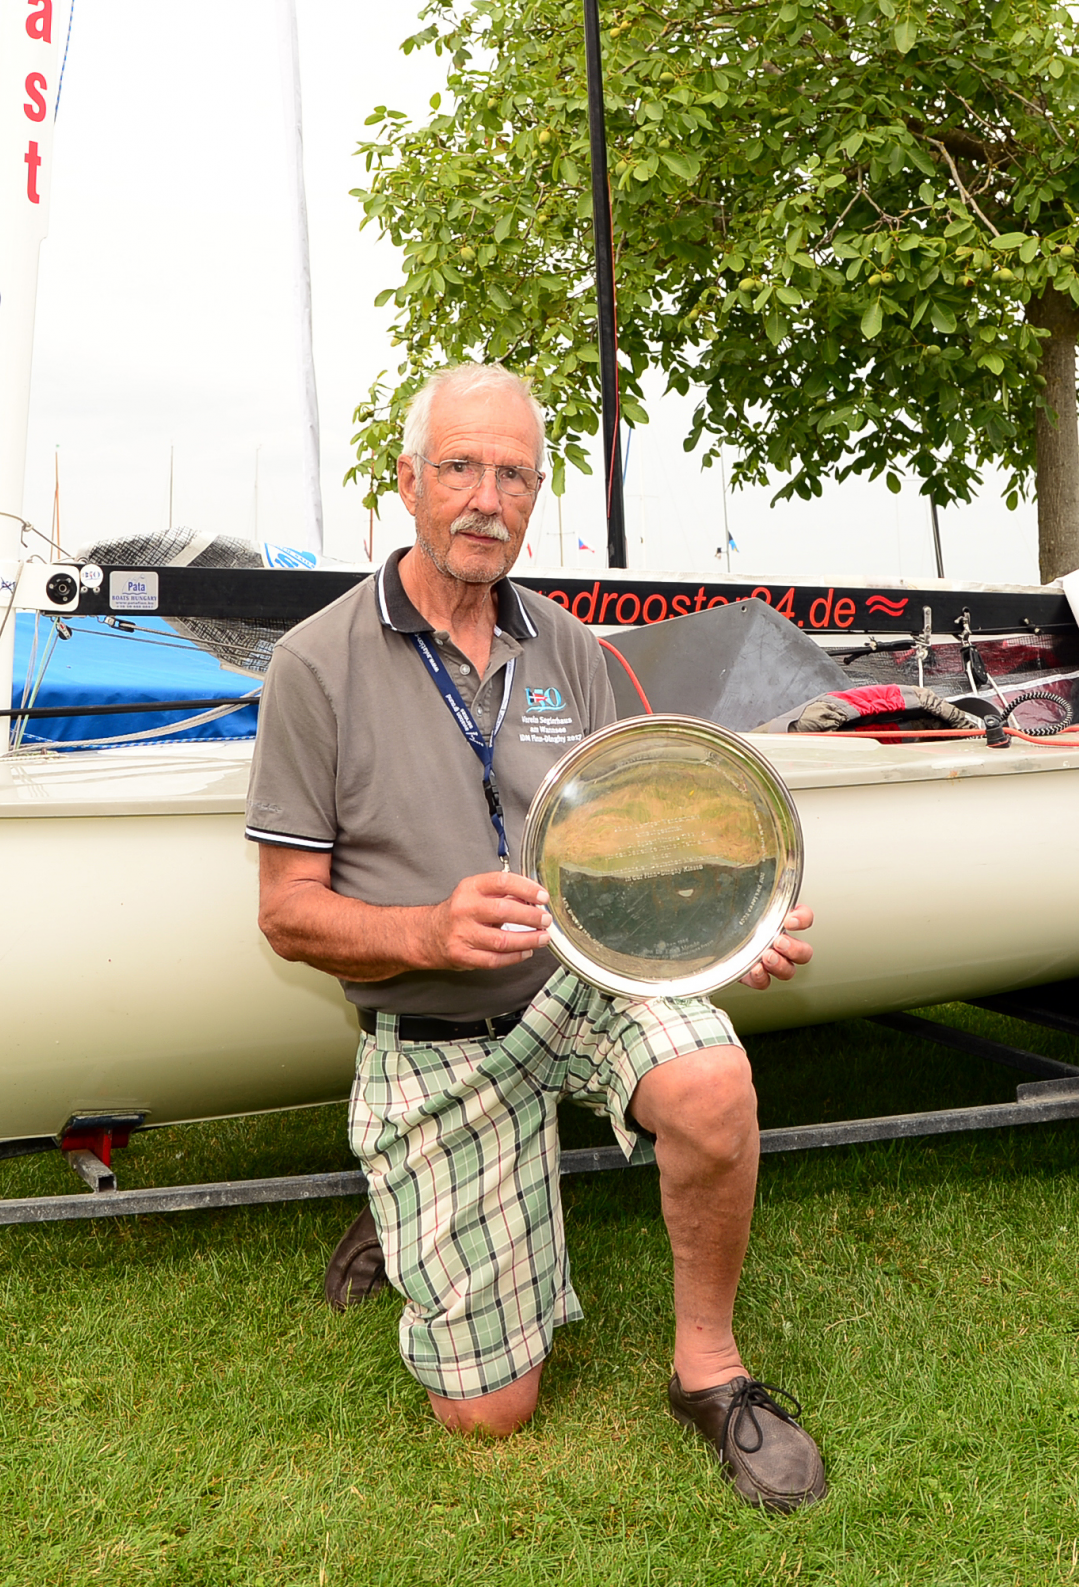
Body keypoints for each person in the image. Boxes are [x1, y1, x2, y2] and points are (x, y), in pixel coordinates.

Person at [246, 362, 826, 1510]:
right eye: (459, 467)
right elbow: (285, 911)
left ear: (532, 493)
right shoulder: (316, 663)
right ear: (407, 482)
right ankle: (423, 1195)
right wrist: (428, 927)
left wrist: (718, 937)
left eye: (512, 475)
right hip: (431, 1034)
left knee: (711, 1080)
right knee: (487, 1415)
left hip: (576, 987)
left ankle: (708, 1369)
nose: (486, 498)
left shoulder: (567, 649)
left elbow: (631, 856)